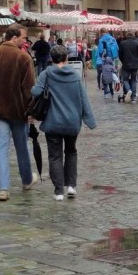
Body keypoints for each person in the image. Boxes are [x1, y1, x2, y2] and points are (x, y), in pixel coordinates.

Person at [0, 24, 37, 202]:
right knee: (21, 146)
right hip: (18, 110)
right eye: (24, 38)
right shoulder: (23, 57)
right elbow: (29, 89)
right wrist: (31, 110)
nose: (25, 41)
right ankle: (26, 180)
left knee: (0, 147)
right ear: (14, 38)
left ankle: (3, 188)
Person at [31, 45, 95, 201]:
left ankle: (59, 191)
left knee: (55, 156)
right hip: (72, 122)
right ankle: (71, 186)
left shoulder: (46, 74)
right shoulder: (74, 76)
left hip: (53, 122)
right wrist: (90, 120)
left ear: (51, 59)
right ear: (66, 58)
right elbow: (83, 99)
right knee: (71, 152)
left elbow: (36, 92)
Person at [118, 30, 138, 103]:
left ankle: (128, 90)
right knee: (133, 80)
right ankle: (133, 97)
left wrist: (123, 61)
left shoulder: (122, 43)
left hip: (126, 64)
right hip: (135, 64)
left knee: (125, 79)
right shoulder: (137, 43)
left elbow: (120, 54)